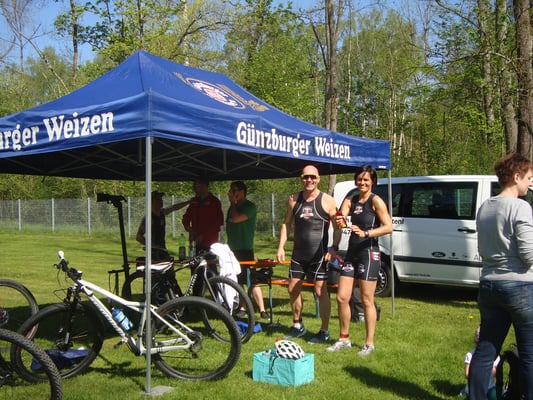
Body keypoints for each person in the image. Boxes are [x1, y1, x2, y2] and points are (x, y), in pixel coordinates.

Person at [468, 152, 533, 400]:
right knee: (529, 354)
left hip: (489, 285)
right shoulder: (520, 207)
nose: (530, 183)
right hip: (520, 287)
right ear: (516, 176)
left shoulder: (485, 206)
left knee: (485, 351)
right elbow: (528, 255)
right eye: (529, 178)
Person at [327, 165, 392, 356]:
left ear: (373, 182)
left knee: (366, 300)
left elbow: (388, 227)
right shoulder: (351, 200)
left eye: (366, 180)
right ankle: (344, 339)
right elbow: (340, 219)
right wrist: (339, 220)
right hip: (352, 253)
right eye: (359, 179)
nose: (362, 183)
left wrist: (366, 233)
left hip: (369, 253)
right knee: (342, 297)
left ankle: (369, 344)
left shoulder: (376, 201)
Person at [276, 165, 340, 343]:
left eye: (312, 177)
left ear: (318, 179)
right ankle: (298, 325)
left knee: (320, 291)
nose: (309, 180)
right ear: (301, 179)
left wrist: (334, 248)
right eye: (306, 177)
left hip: (318, 255)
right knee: (292, 289)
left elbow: (338, 227)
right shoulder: (294, 199)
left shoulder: (327, 200)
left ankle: (324, 330)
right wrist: (280, 247)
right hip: (298, 254)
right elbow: (286, 223)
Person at [226, 180, 269, 320]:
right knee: (238, 281)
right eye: (231, 190)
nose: (232, 193)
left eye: (235, 190)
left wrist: (232, 203)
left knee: (252, 280)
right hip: (233, 249)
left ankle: (262, 310)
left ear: (242, 192)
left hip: (245, 249)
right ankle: (242, 307)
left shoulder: (249, 206)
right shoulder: (231, 208)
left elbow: (236, 219)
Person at [182, 178, 224, 294]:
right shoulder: (194, 202)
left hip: (210, 244)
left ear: (205, 186)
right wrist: (189, 229)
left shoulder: (214, 202)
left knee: (211, 271)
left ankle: (217, 297)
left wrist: (203, 235)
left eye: (197, 186)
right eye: (194, 186)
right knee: (196, 271)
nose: (195, 189)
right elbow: (186, 218)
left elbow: (217, 222)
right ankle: (197, 297)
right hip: (196, 244)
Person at [135, 190, 190, 260]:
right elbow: (138, 237)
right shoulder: (149, 218)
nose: (161, 201)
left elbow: (174, 207)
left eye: (161, 199)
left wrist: (188, 202)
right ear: (151, 202)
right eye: (158, 199)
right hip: (154, 254)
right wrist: (152, 246)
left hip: (162, 250)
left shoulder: (162, 213)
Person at [461, 327, 499, 399]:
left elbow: (497, 374)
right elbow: (467, 374)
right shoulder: (470, 355)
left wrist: (493, 370)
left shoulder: (494, 356)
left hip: (490, 387)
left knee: (495, 396)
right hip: (475, 388)